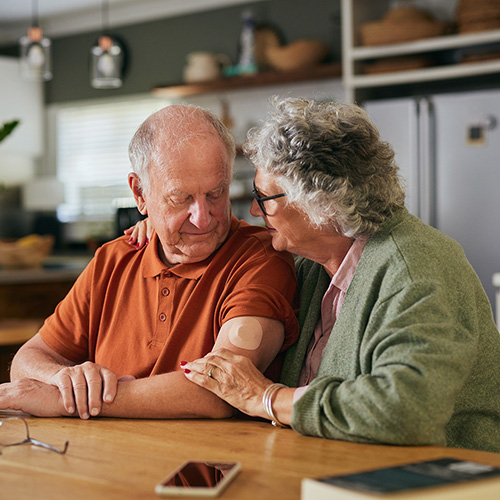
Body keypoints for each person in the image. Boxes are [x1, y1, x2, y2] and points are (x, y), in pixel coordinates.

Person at [176, 97, 500, 453]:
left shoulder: (416, 267)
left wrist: (269, 398)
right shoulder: (314, 264)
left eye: (264, 196)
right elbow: (232, 256)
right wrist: (156, 230)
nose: (255, 210)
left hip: (445, 481)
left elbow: (405, 411)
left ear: (321, 203)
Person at [0, 104, 299, 420]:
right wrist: (62, 380)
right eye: (180, 198)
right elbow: (29, 359)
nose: (203, 218)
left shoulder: (260, 258)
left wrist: (74, 401)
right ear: (139, 193)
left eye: (216, 193)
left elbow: (225, 390)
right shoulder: (112, 259)